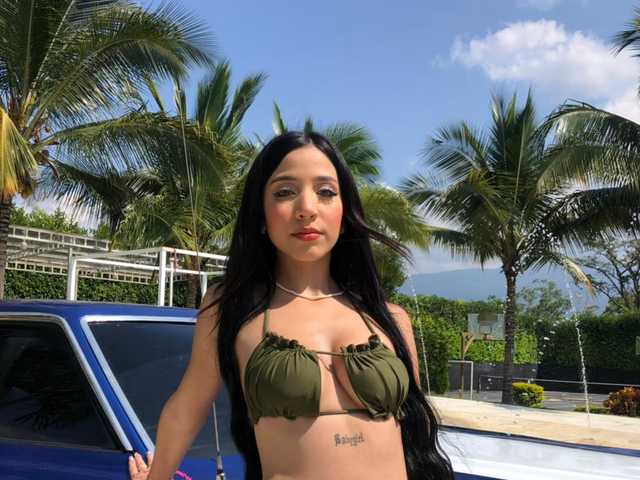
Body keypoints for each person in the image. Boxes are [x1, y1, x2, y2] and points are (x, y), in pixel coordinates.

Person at [129, 131, 454, 480]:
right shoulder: (232, 307)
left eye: (326, 192)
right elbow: (187, 407)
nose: (307, 209)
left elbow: (413, 432)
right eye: (284, 192)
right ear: (260, 214)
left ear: (344, 213)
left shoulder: (389, 318)